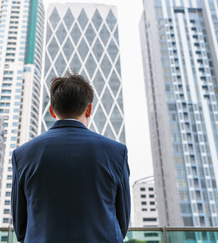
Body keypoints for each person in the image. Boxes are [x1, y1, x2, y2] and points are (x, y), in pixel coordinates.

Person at [11, 71, 130, 243]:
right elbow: (122, 222)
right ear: (89, 109)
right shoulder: (117, 152)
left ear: (52, 111)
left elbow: (21, 229)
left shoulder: (22, 154)